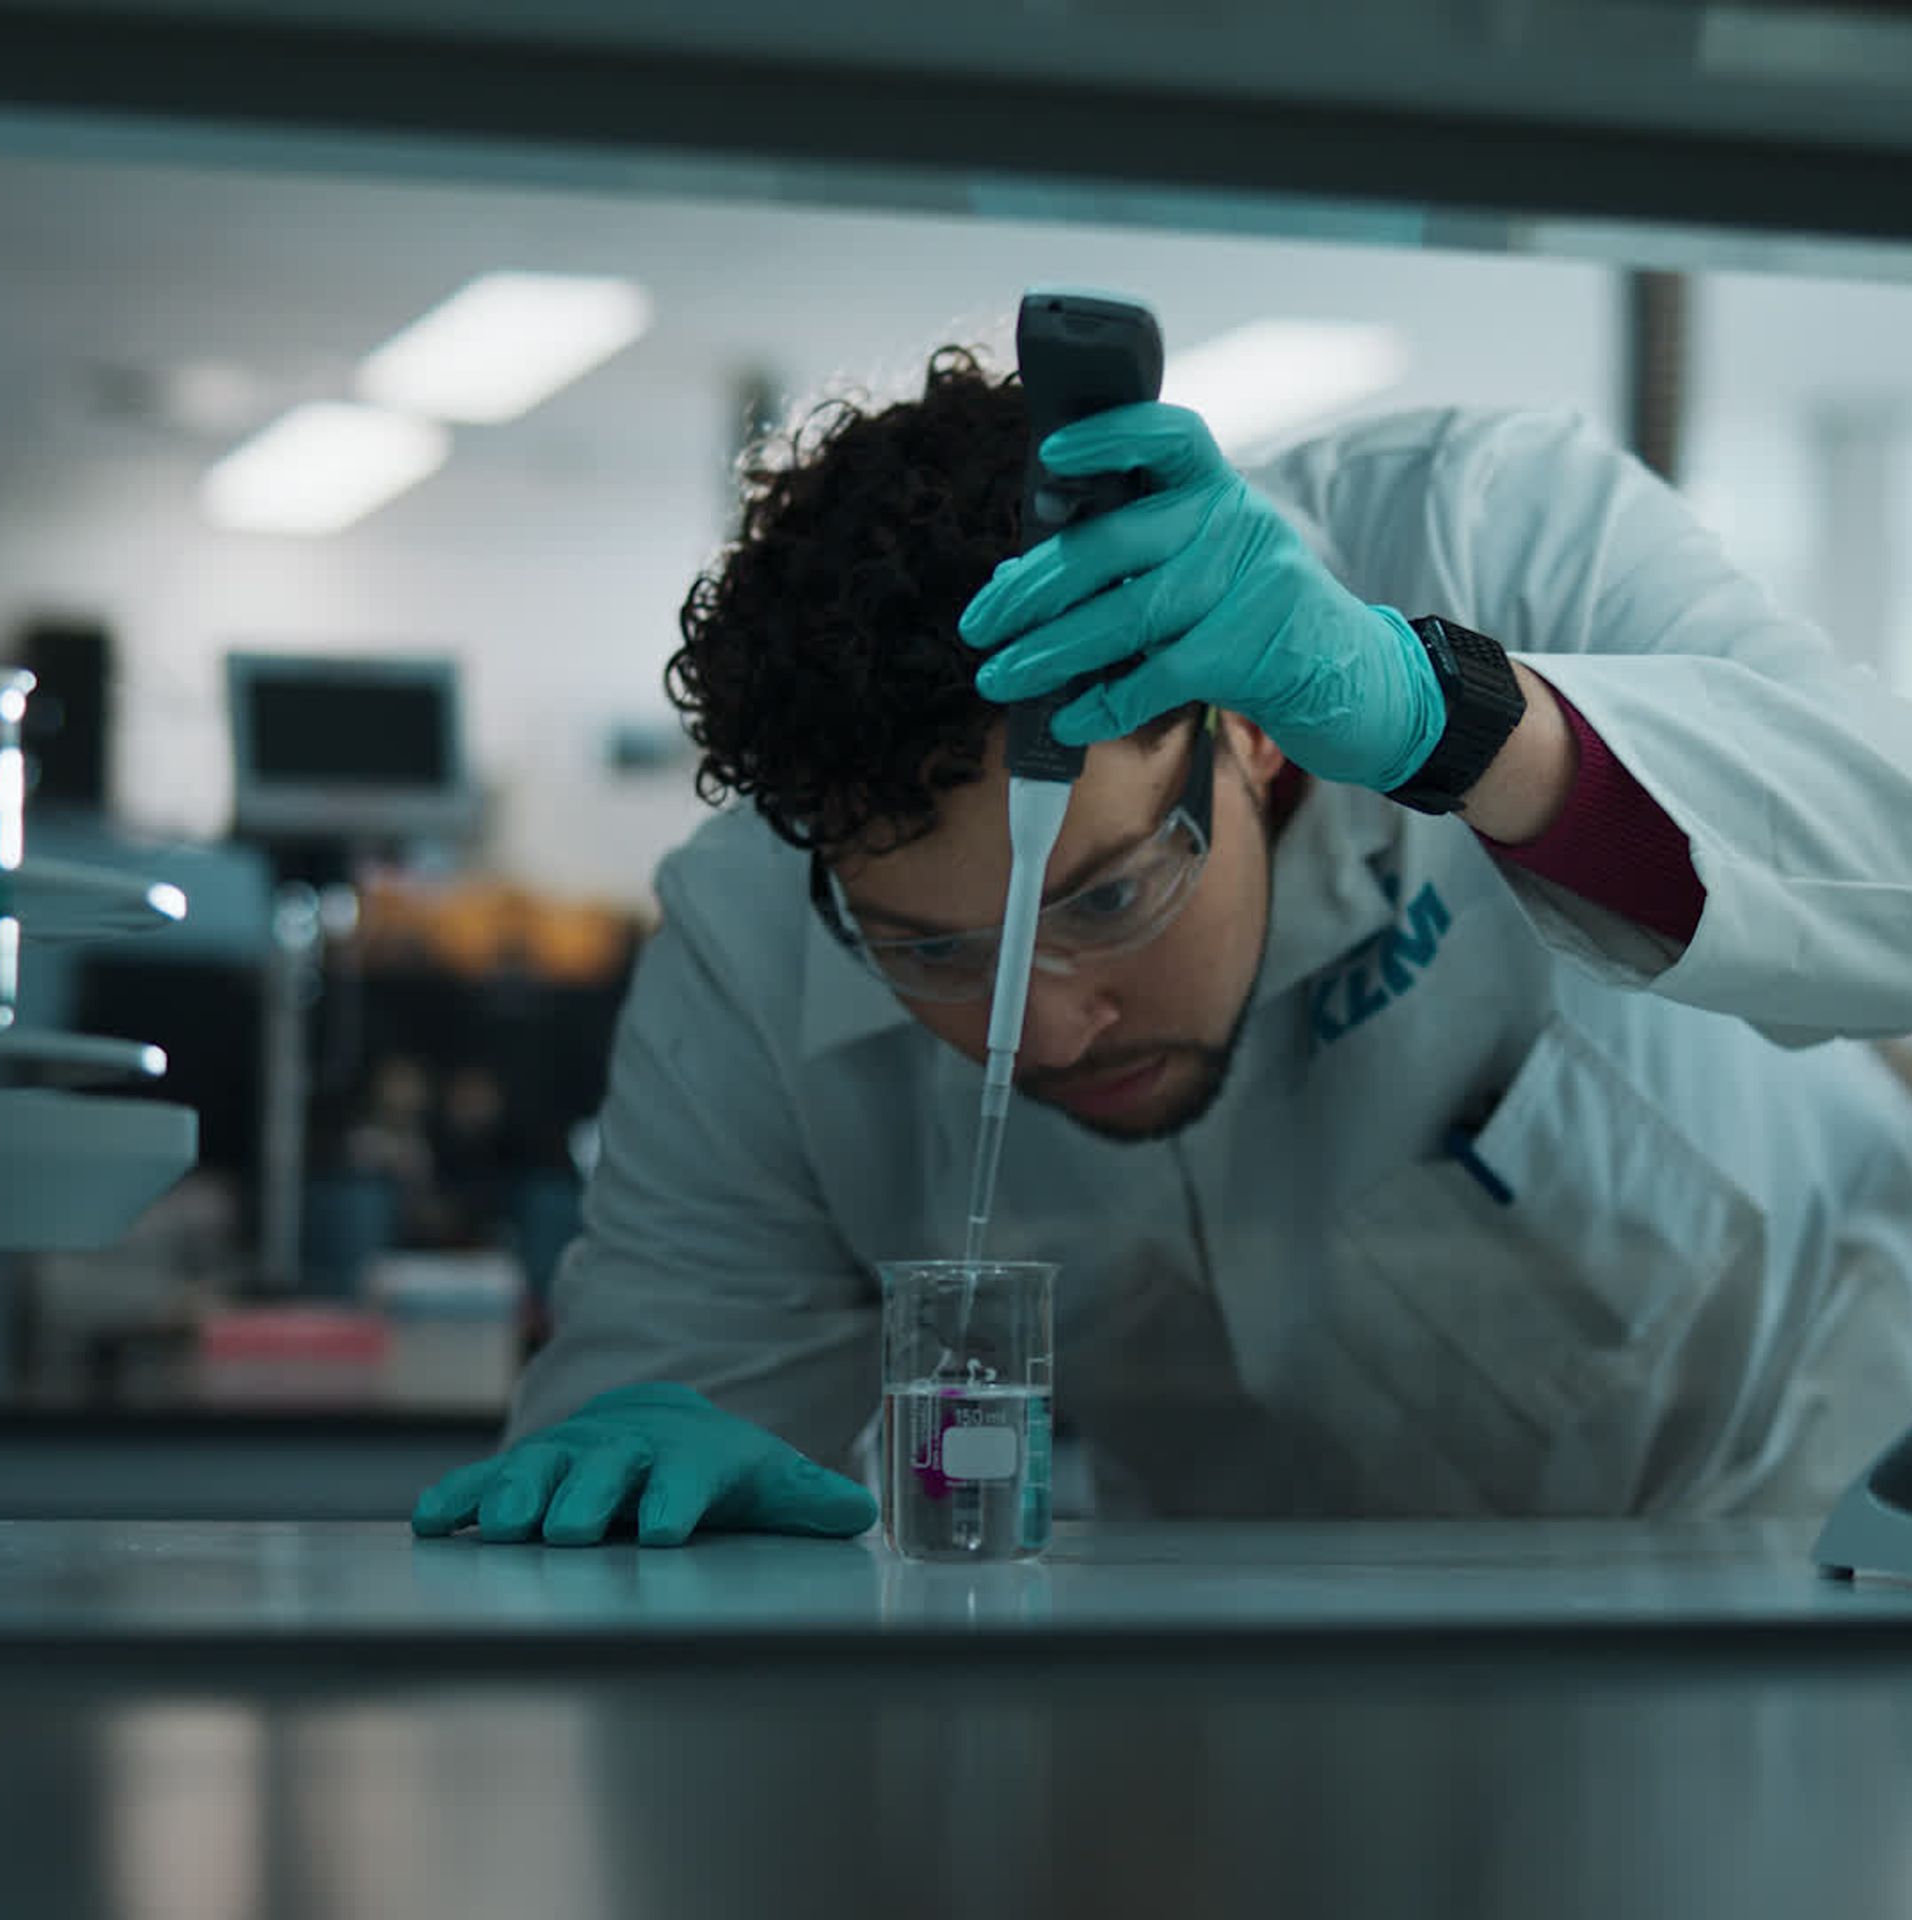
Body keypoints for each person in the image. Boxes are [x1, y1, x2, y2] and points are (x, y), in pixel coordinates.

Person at [413, 345, 1912, 1549]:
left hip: (1796, 1526)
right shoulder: (752, 940)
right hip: (1258, 1638)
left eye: (1112, 897)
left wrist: (1442, 712)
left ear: (1248, 737)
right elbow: (637, 1446)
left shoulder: (1483, 525)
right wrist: (652, 1470)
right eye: (934, 955)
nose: (1046, 1030)